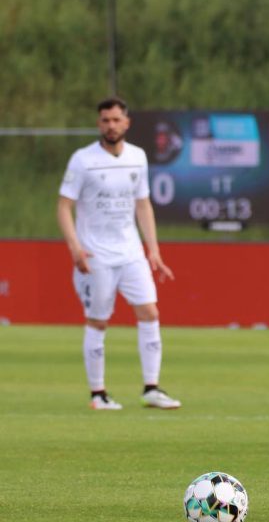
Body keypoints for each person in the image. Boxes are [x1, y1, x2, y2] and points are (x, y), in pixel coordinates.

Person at [56, 97, 181, 410]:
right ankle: (98, 394)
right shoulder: (83, 160)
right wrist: (75, 248)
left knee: (150, 313)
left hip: (130, 252)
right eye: (105, 120)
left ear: (127, 123)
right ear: (99, 124)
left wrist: (153, 249)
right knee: (98, 321)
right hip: (96, 255)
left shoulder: (138, 157)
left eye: (116, 120)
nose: (111, 126)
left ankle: (151, 388)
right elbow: (64, 206)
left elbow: (143, 204)